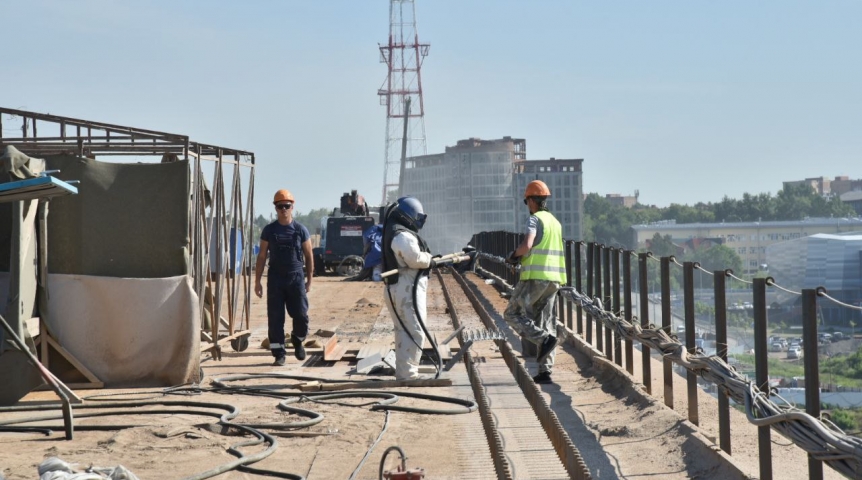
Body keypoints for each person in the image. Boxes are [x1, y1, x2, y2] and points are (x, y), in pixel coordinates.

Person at [504, 180, 567, 384]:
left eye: (526, 201)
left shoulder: (534, 219)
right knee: (546, 321)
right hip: (554, 279)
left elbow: (528, 245)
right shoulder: (555, 222)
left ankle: (543, 339)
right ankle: (545, 371)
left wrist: (513, 255)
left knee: (512, 313)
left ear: (531, 200)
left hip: (535, 278)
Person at [381, 196, 438, 381]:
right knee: (415, 331)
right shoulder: (402, 235)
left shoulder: (393, 230)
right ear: (409, 216)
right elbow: (414, 259)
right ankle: (408, 375)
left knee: (403, 330)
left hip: (398, 287)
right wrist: (430, 259)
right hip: (406, 289)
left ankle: (404, 372)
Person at [255, 189, 314, 366]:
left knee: (301, 315)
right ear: (275, 208)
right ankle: (279, 353)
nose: (283, 209)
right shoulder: (269, 230)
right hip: (275, 279)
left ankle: (298, 339)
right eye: (280, 206)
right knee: (275, 318)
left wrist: (309, 279)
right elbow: (262, 256)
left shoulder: (301, 230)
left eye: (286, 206)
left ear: (292, 206)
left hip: (296, 278)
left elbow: (309, 255)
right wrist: (257, 281)